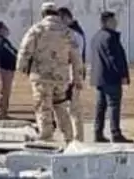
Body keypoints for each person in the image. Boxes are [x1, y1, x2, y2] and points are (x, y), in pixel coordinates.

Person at [16, 2, 82, 142]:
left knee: (43, 108)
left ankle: (46, 138)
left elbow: (25, 50)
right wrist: (77, 78)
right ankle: (69, 138)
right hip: (61, 78)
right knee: (61, 107)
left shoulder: (37, 29)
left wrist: (21, 67)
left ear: (43, 13)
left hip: (41, 77)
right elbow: (76, 57)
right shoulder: (67, 32)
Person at [91, 11, 131, 142]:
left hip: (100, 77)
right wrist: (122, 74)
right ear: (107, 22)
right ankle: (115, 133)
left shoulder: (97, 37)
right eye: (113, 21)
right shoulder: (110, 37)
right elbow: (115, 58)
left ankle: (98, 132)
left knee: (100, 106)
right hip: (111, 78)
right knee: (113, 105)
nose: (116, 23)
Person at [58, 6, 85, 140]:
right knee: (70, 107)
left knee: (73, 108)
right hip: (70, 74)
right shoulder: (73, 32)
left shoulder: (73, 34)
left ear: (66, 18)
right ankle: (74, 136)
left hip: (72, 75)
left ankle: (77, 138)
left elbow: (75, 57)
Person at [0, 22, 16, 119]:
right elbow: (13, 53)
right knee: (4, 91)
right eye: (5, 28)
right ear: (1, 29)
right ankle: (1, 113)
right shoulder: (1, 41)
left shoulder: (0, 41)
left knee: (5, 91)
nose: (7, 29)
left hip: (5, 69)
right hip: (4, 69)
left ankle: (3, 112)